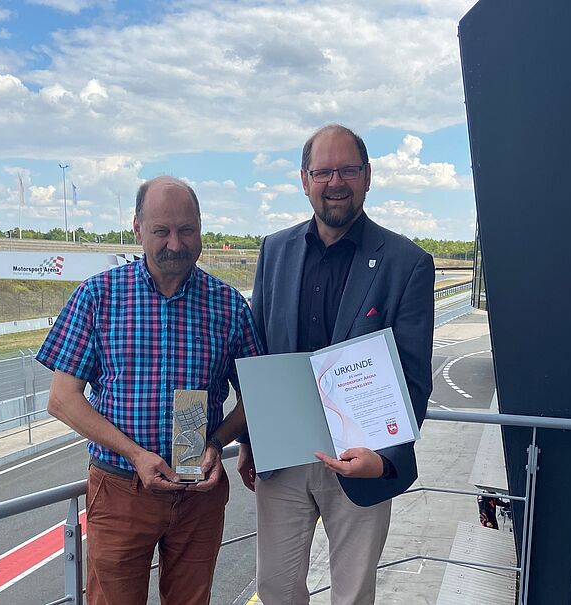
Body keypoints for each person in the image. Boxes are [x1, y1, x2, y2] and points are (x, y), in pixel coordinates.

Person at [37, 176, 262, 605]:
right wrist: (136, 456)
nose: (175, 244)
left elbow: (257, 394)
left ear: (201, 228)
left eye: (186, 230)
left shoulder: (229, 304)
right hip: (121, 490)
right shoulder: (98, 296)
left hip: (199, 493)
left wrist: (218, 441)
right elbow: (62, 399)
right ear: (138, 228)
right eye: (161, 231)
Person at [237, 124, 434, 604]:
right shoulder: (274, 250)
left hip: (361, 457)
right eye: (322, 171)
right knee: (276, 590)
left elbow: (412, 378)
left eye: (347, 169)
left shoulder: (406, 263)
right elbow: (259, 352)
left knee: (351, 596)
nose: (335, 181)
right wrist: (250, 437)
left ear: (367, 176)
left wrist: (382, 458)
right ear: (304, 180)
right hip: (284, 454)